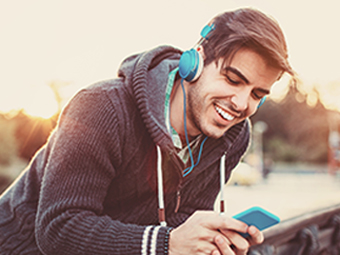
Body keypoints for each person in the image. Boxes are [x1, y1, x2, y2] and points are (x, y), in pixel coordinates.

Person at [0, 7, 294, 255]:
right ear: (197, 60)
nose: (241, 104)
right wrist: (167, 244)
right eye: (232, 79)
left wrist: (210, 241)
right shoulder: (101, 108)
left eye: (257, 94)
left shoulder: (234, 136)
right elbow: (59, 228)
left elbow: (183, 221)